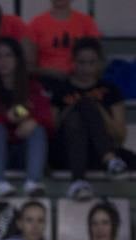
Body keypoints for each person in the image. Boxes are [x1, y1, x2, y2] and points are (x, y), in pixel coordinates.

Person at [50, 38, 130, 201]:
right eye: (81, 62)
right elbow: (51, 129)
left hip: (97, 153)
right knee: (79, 112)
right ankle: (111, 161)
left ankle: (79, 181)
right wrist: (76, 107)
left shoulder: (110, 90)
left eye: (91, 62)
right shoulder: (61, 89)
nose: (86, 68)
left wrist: (98, 111)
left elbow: (120, 137)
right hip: (66, 152)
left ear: (100, 63)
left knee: (87, 104)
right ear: (73, 62)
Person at [0, 37, 53, 197]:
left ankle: (33, 182)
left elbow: (48, 118)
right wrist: (7, 118)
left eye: (8, 56)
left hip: (23, 152)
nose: (3, 61)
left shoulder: (33, 86)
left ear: (18, 59)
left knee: (37, 128)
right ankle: (0, 184)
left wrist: (34, 121)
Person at [28, 0, 100, 85]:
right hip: (46, 80)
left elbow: (97, 58)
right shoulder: (36, 24)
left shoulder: (87, 22)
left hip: (81, 79)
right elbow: (29, 66)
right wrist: (49, 72)